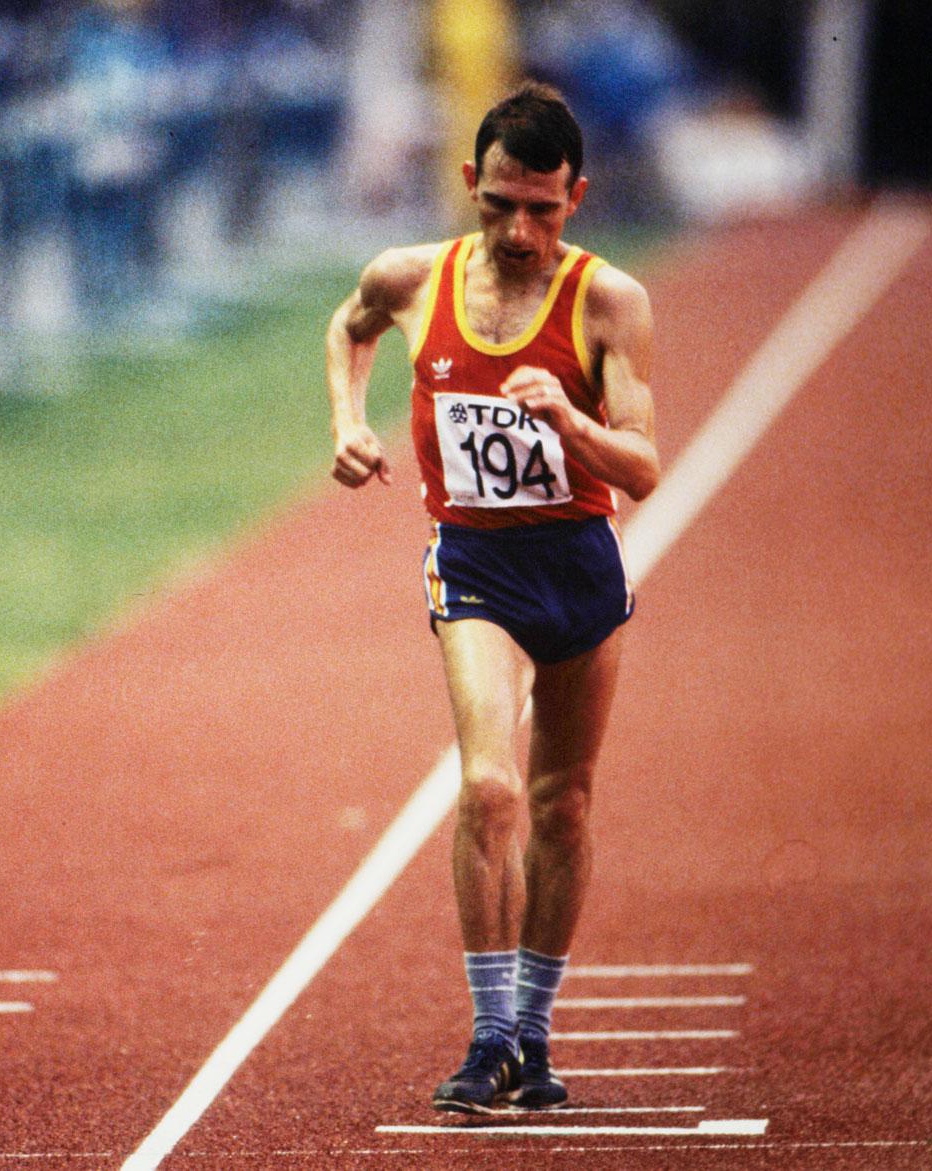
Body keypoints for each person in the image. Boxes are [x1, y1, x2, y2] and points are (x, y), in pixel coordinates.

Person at [326, 82, 659, 1114]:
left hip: (576, 565)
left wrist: (570, 419)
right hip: (474, 561)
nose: (520, 231)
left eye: (543, 212)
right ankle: (486, 1039)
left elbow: (642, 470)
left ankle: (533, 1035)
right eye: (500, 205)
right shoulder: (412, 277)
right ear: (470, 184)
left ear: (576, 199)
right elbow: (349, 324)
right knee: (490, 789)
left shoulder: (609, 301)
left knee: (562, 800)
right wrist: (347, 418)